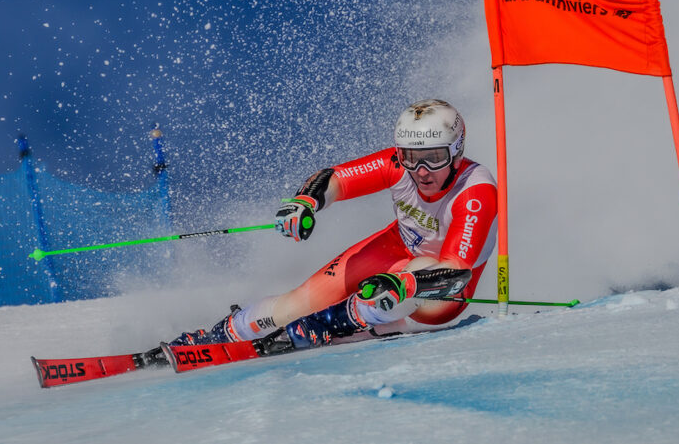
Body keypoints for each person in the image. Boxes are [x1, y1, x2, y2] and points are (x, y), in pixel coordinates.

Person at [168, 98, 498, 354]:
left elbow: (456, 272)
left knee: (417, 270)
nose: (422, 170)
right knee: (295, 304)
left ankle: (334, 323)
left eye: (435, 157)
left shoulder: (475, 192)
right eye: (411, 157)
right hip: (396, 248)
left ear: (457, 153)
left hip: (440, 291)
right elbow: (336, 179)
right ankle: (223, 334)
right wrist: (305, 203)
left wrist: (406, 284)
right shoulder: (397, 164)